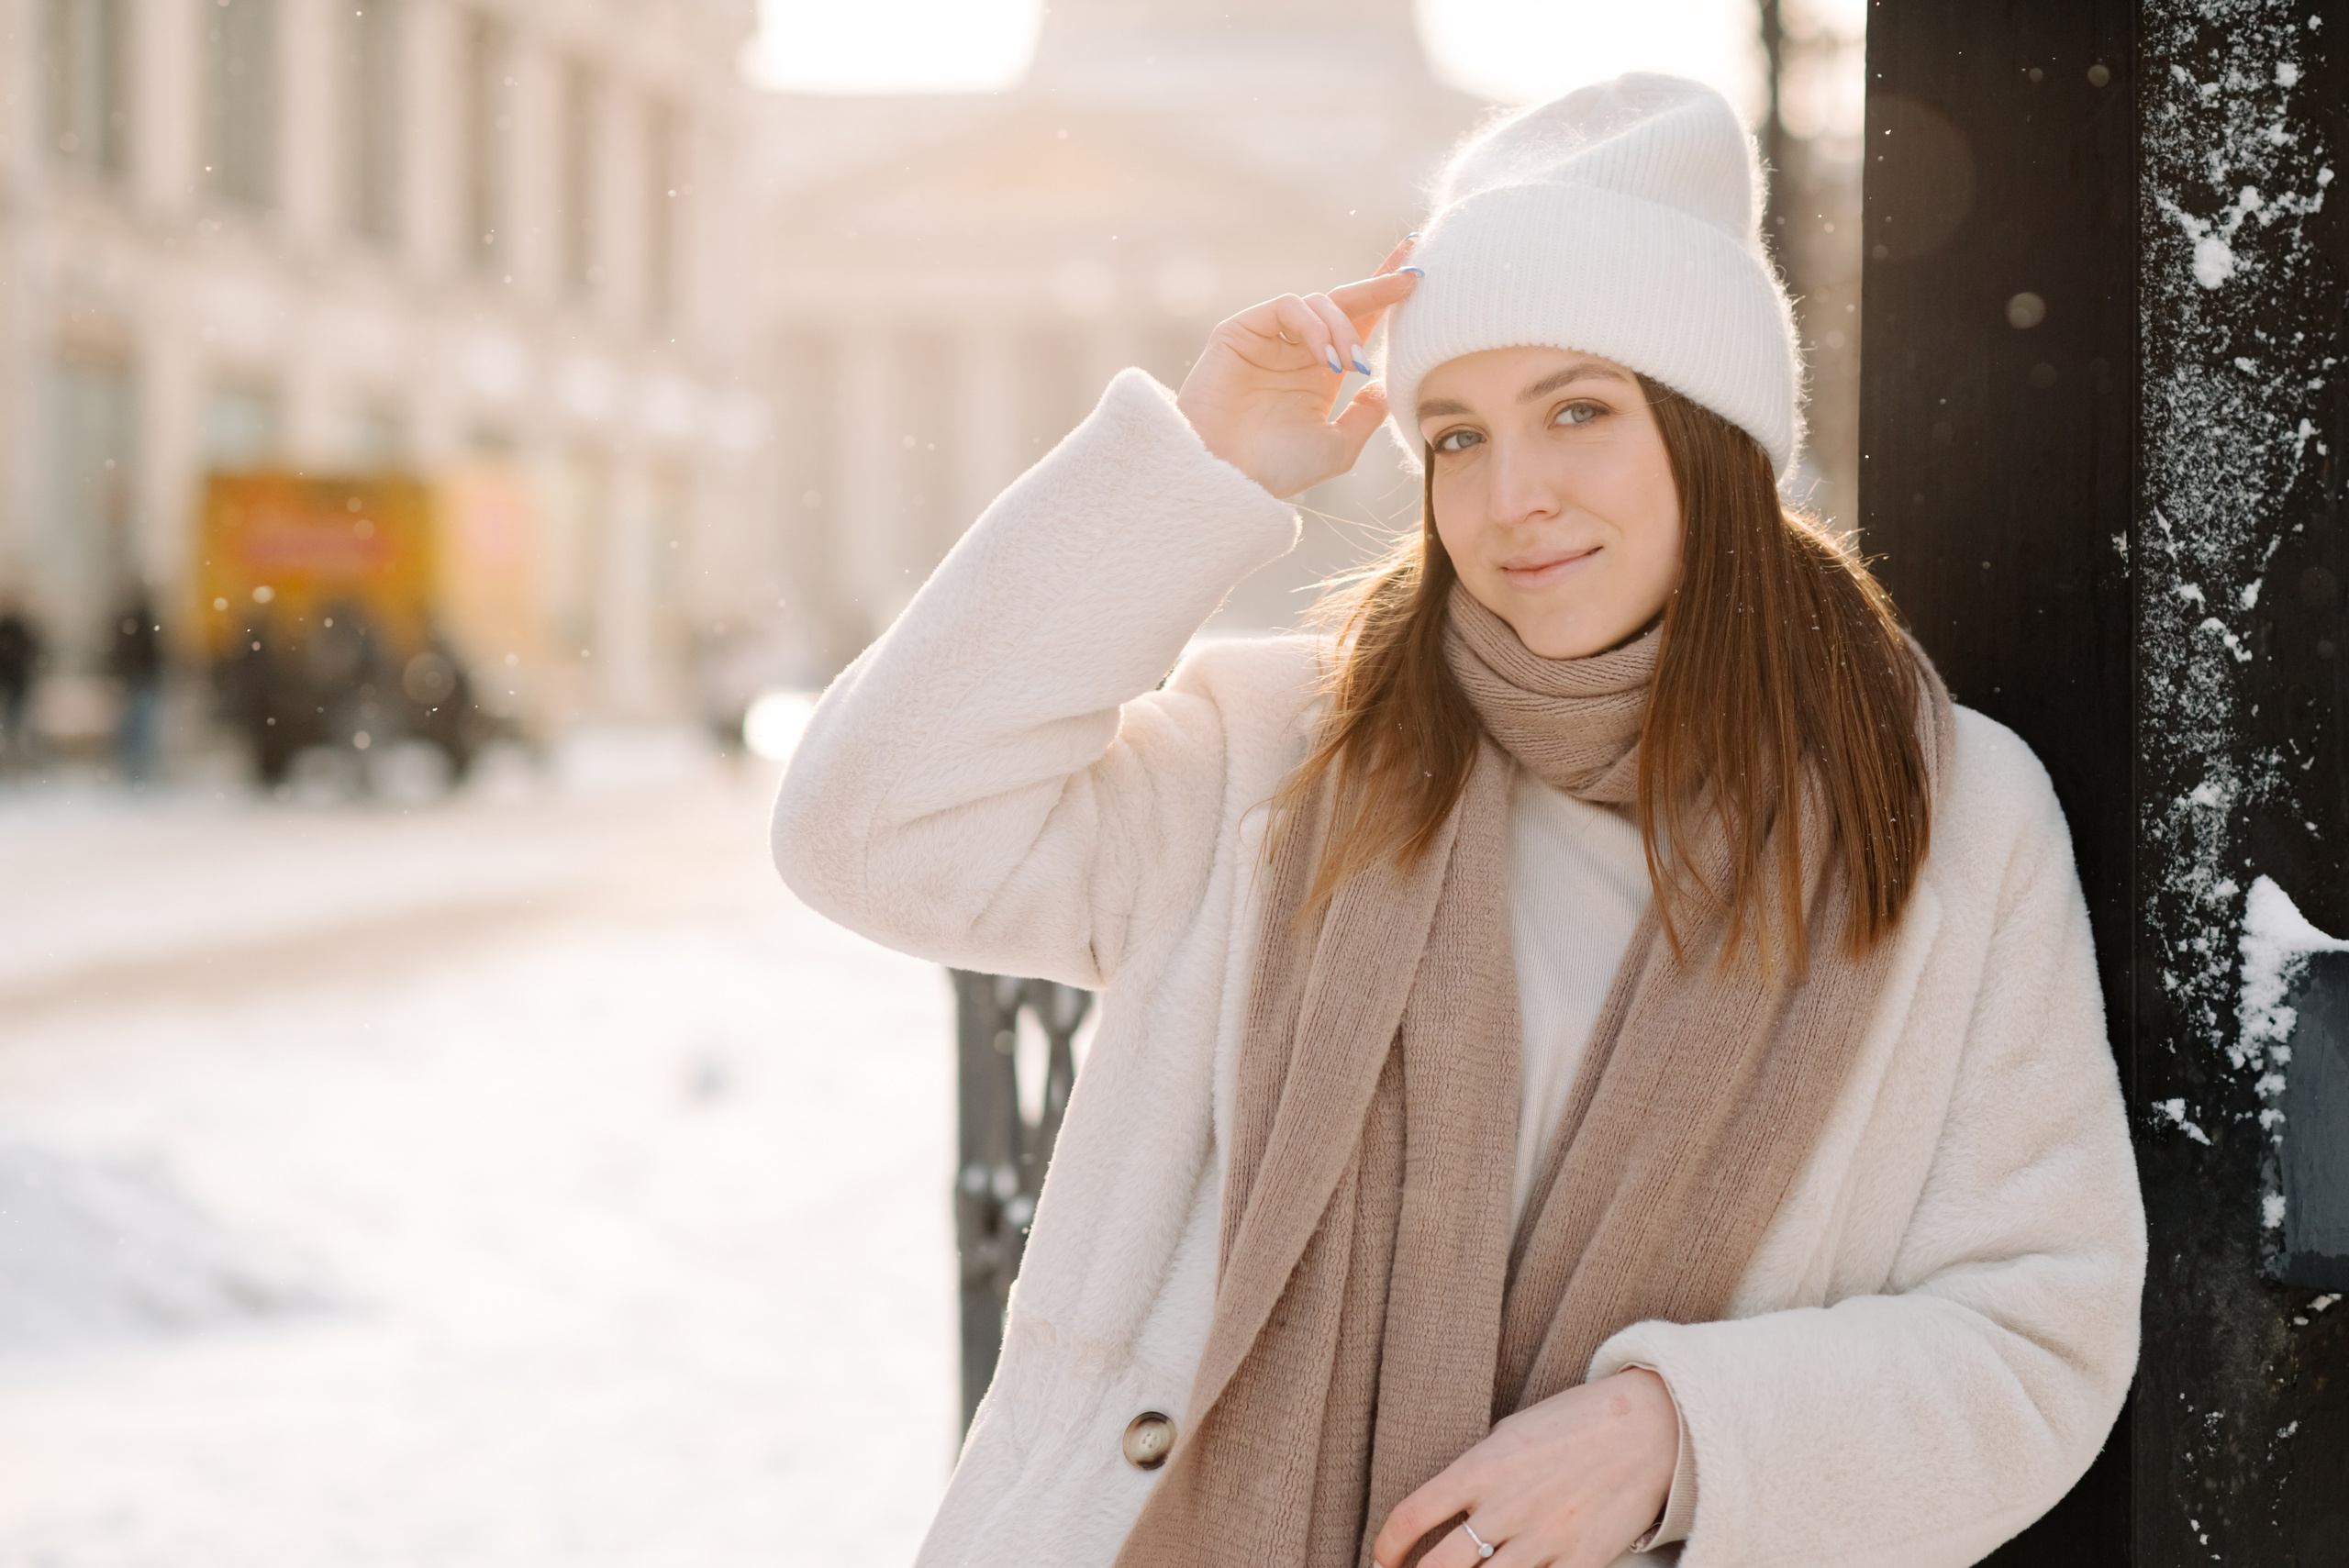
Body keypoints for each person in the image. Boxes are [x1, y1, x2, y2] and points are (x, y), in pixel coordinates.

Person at [774, 75, 2143, 1568]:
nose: (1516, 495)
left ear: (1714, 437)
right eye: (1456, 436)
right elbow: (871, 826)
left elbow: (2034, 1326)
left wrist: (1680, 1431)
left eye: (1578, 410)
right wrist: (1201, 460)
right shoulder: (1282, 758)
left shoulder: (1942, 813)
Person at [108, 588, 164, 784]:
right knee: (137, 728)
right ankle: (136, 768)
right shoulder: (143, 624)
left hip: (137, 680)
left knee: (136, 727)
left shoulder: (129, 623)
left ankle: (136, 768)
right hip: (139, 680)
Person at [0, 595, 39, 769]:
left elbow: (30, 651)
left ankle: (18, 760)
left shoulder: (22, 630)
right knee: (12, 723)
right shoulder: (15, 630)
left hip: (16, 681)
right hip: (9, 680)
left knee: (17, 723)